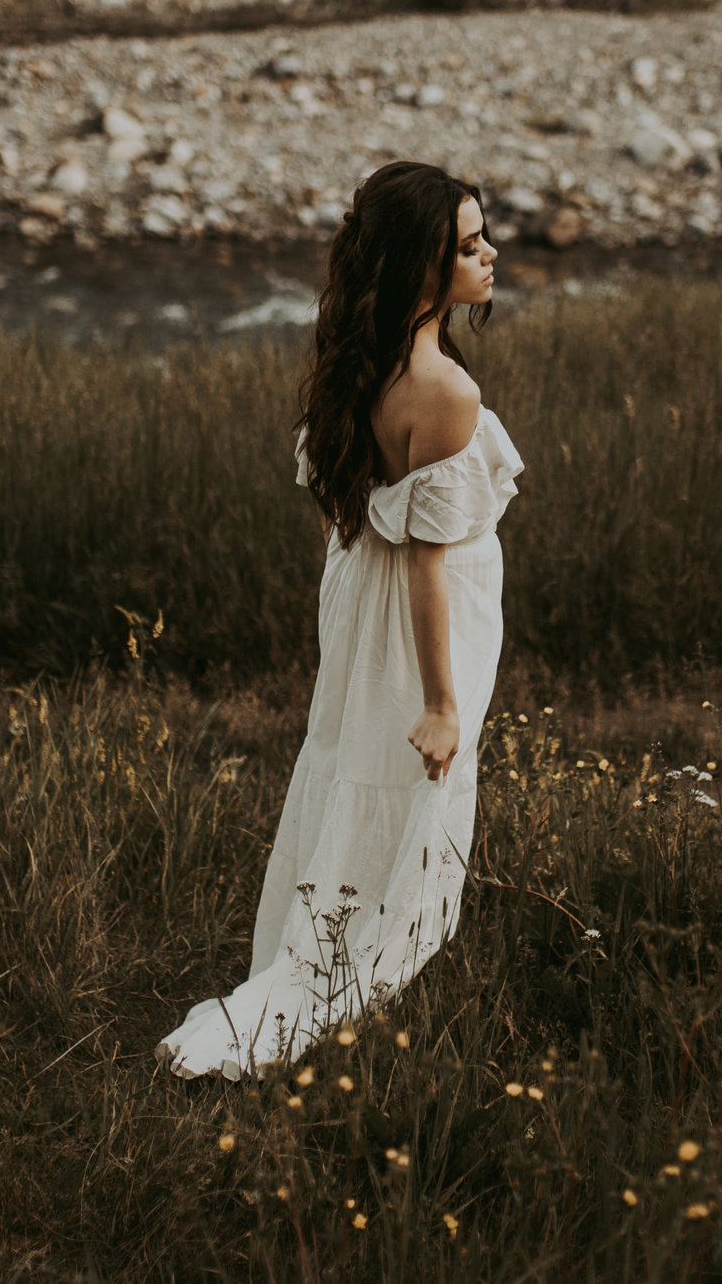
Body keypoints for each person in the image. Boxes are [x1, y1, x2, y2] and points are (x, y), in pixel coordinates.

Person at [158, 162, 522, 1082]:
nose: (491, 255)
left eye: (485, 237)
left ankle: (330, 925)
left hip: (365, 595)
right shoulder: (444, 389)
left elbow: (340, 502)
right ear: (421, 266)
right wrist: (441, 700)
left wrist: (359, 588)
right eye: (469, 245)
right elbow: (430, 562)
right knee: (410, 773)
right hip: (421, 616)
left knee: (356, 761)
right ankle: (361, 960)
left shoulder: (358, 352)